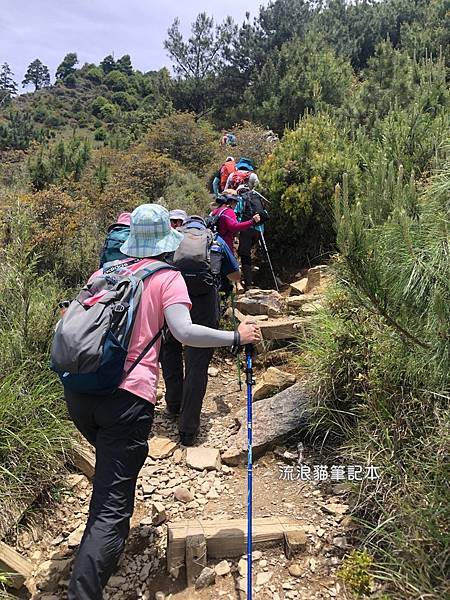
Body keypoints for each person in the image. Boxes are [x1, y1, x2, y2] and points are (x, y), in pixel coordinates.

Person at [64, 204, 261, 599]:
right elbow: (185, 333)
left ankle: (102, 549)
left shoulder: (103, 273)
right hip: (125, 400)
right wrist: (236, 337)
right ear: (166, 243)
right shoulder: (166, 276)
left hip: (78, 392)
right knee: (111, 508)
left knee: (109, 483)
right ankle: (84, 587)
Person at [161, 215, 241, 445]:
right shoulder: (216, 241)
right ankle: (188, 429)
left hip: (173, 299)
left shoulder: (172, 240)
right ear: (204, 227)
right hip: (205, 303)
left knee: (170, 349)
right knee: (197, 363)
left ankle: (174, 403)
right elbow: (234, 275)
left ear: (185, 226)